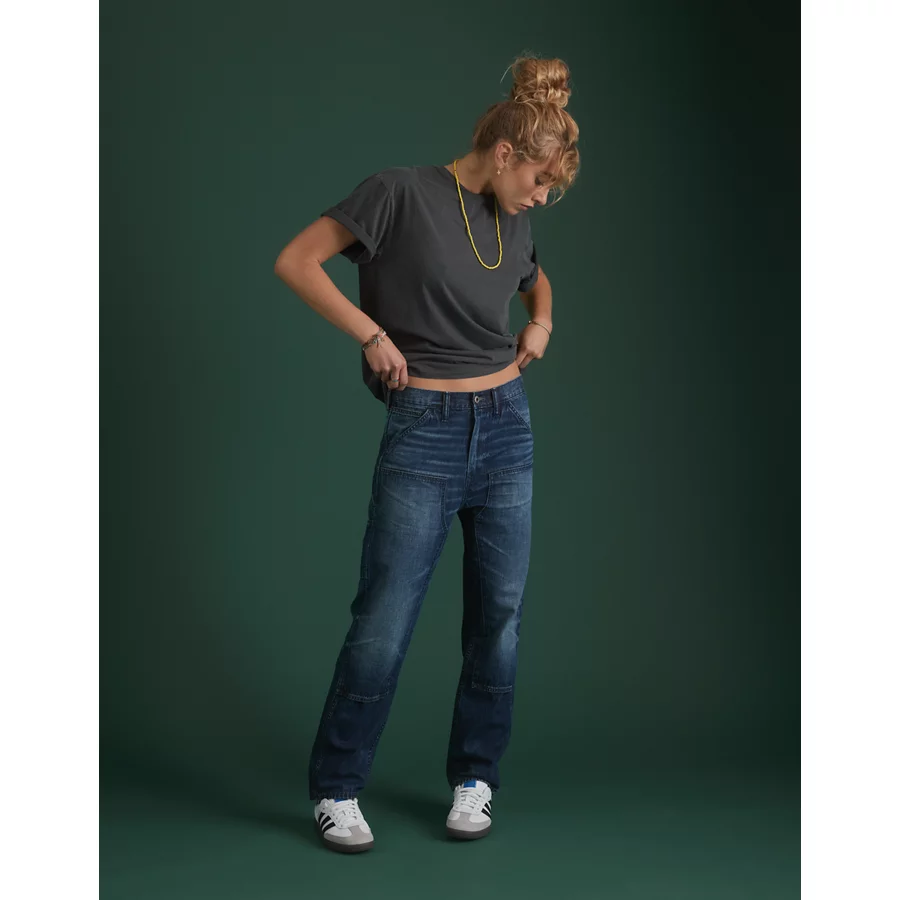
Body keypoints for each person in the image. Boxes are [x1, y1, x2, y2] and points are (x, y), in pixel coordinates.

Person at [274, 54, 580, 853]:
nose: (541, 197)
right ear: (506, 154)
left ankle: (475, 778)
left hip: (507, 427)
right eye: (539, 180)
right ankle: (337, 787)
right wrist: (370, 334)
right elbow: (296, 261)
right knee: (383, 618)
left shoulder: (513, 217)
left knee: (498, 620)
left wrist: (541, 322)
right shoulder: (399, 192)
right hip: (426, 431)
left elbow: (537, 283)